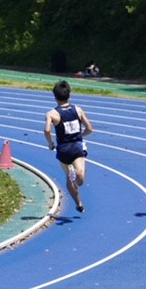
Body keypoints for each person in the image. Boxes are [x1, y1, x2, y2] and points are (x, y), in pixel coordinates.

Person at [44, 80, 94, 213]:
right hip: (76, 146)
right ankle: (78, 196)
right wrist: (81, 135)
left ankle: (77, 199)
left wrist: (50, 143)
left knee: (71, 176)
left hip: (64, 149)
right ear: (69, 95)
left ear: (55, 96)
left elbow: (47, 130)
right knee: (80, 178)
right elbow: (90, 129)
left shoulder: (51, 114)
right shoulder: (78, 110)